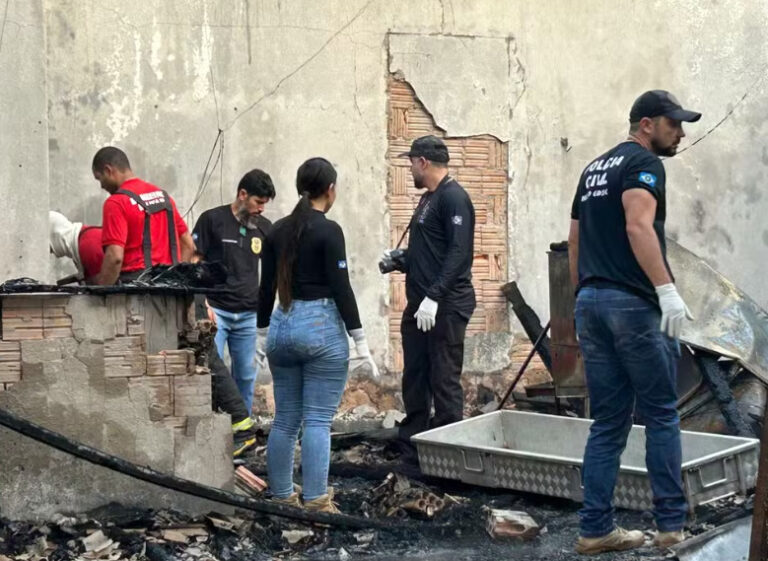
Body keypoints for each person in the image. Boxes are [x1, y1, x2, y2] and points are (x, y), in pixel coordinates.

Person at [568, 90, 700, 555]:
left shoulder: (592, 170)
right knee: (662, 413)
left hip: (592, 302)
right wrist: (666, 291)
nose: (680, 133)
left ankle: (595, 529)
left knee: (607, 421)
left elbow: (574, 241)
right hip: (632, 305)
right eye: (673, 124)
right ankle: (670, 526)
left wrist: (581, 296)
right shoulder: (643, 164)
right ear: (647, 124)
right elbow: (638, 227)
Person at [257, 157, 378, 512]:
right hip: (319, 329)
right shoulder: (329, 230)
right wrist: (360, 340)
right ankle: (316, 500)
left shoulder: (276, 230)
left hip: (282, 325)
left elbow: (265, 289)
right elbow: (342, 288)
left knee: (285, 419)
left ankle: (280, 495)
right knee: (318, 421)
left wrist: (262, 335)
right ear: (330, 189)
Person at [384, 135, 475, 462]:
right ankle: (414, 443)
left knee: (444, 378)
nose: (409, 169)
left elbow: (459, 253)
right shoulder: (428, 200)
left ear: (423, 161)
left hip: (446, 306)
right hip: (420, 306)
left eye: (411, 163)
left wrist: (434, 297)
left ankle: (449, 453)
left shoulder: (454, 198)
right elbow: (430, 252)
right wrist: (400, 260)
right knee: (416, 375)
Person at [192, 169, 276, 414]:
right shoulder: (212, 220)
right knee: (210, 374)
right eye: (258, 202)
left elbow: (275, 271)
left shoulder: (265, 229)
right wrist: (202, 304)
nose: (262, 209)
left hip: (249, 316)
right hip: (216, 312)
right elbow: (193, 261)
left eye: (265, 204)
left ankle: (243, 432)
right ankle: (213, 430)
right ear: (242, 194)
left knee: (246, 377)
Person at [92, 147, 194, 285]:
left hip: (136, 292)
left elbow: (115, 257)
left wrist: (100, 293)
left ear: (108, 170)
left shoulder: (116, 202)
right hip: (171, 294)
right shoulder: (164, 197)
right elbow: (188, 245)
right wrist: (175, 280)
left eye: (100, 179)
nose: (101, 186)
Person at [48, 211, 104, 283]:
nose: (50, 252)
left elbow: (102, 285)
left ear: (54, 235)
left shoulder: (87, 246)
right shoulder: (81, 240)